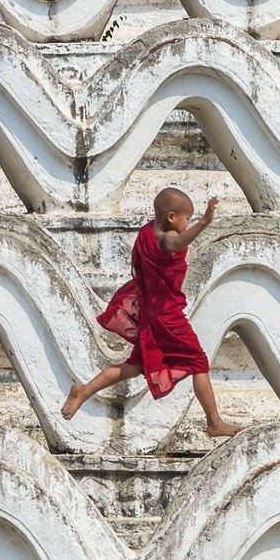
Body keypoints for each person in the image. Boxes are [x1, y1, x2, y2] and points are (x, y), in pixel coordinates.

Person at [62, 187, 241, 436]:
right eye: (185, 218)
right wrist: (203, 222)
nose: (186, 222)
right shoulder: (166, 238)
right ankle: (214, 422)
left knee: (135, 365)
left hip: (150, 313)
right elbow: (176, 242)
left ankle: (85, 390)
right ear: (170, 217)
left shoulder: (148, 232)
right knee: (199, 363)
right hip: (168, 317)